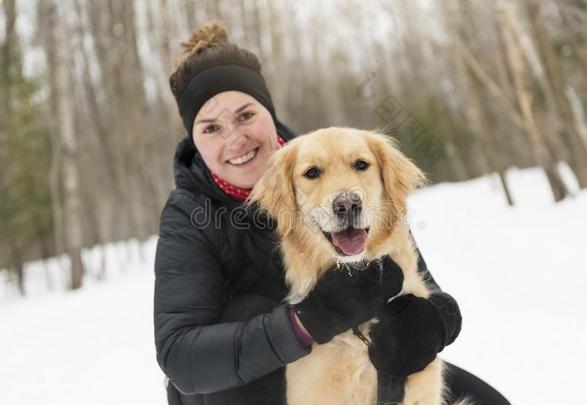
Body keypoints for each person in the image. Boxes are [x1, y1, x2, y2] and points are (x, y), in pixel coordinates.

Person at [154, 21, 511, 405]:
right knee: (248, 310)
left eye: (245, 116)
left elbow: (416, 276)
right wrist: (306, 321)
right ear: (194, 140)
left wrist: (434, 320)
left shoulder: (327, 157)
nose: (235, 138)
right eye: (210, 128)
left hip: (350, 357)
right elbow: (179, 354)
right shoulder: (189, 217)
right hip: (243, 387)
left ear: (268, 112)